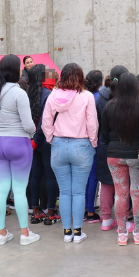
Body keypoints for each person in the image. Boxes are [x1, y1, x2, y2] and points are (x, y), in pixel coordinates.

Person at [0, 55, 39, 246]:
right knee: (19, 190)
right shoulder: (18, 93)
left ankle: (2, 233)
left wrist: (3, 126)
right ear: (16, 71)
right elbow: (28, 124)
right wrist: (32, 132)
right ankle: (25, 233)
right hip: (18, 142)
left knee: (1, 189)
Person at [42, 63, 98, 244]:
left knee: (65, 192)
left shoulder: (52, 96)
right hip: (81, 145)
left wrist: (52, 139)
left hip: (58, 145)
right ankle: (78, 232)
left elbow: (45, 123)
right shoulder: (87, 96)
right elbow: (92, 124)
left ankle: (67, 233)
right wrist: (93, 144)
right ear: (80, 77)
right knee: (78, 192)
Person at [101, 73, 139, 245]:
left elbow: (104, 134)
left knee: (120, 195)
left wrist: (114, 145)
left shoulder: (109, 106)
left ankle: (122, 233)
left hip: (114, 155)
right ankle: (138, 232)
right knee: (137, 194)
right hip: (137, 156)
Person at [95, 65, 128, 231]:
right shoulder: (128, 98)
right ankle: (125, 218)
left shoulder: (100, 98)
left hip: (104, 143)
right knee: (124, 184)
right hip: (124, 144)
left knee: (106, 183)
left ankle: (106, 219)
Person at [29, 65, 59, 225]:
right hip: (45, 141)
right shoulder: (49, 95)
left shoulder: (27, 94)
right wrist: (37, 140)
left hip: (32, 141)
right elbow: (45, 122)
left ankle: (35, 211)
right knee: (50, 175)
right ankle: (51, 212)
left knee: (35, 175)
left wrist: (32, 141)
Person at [83, 70, 103, 224]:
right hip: (95, 141)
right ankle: (90, 210)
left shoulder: (82, 96)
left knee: (84, 177)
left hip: (81, 141)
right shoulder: (99, 98)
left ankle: (84, 208)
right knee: (93, 176)